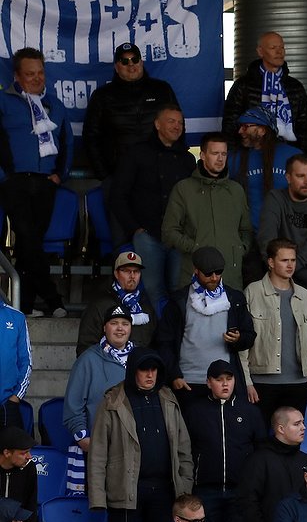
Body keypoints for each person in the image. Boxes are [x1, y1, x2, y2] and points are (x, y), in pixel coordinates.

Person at [89, 347, 194, 522]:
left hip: (164, 491)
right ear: (132, 371)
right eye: (144, 369)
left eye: (154, 370)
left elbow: (183, 448)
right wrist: (98, 497)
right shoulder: (113, 401)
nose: (150, 375)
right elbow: (98, 454)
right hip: (125, 490)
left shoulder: (168, 398)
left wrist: (185, 488)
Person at [0, 48, 70, 317]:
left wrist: (59, 175)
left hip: (45, 182)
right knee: (28, 237)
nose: (36, 78)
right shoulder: (4, 102)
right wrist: (4, 177)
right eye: (30, 74)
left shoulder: (54, 104)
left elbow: (67, 142)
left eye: (40, 73)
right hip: (14, 182)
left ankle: (25, 306)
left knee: (31, 244)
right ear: (17, 75)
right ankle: (54, 299)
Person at [111, 105, 196, 304]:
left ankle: (174, 334)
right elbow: (118, 195)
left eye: (180, 123)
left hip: (178, 237)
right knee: (151, 290)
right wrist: (135, 228)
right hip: (148, 235)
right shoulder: (137, 153)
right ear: (157, 124)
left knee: (179, 289)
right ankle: (156, 334)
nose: (177, 126)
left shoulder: (188, 159)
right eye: (171, 121)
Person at [154, 246, 257, 410]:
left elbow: (250, 336)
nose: (214, 278)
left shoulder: (235, 298)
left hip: (224, 384)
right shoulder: (179, 300)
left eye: (218, 272)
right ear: (196, 271)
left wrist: (238, 339)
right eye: (208, 273)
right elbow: (164, 342)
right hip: (188, 382)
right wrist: (174, 375)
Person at [181, 360, 266, 522]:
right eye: (219, 379)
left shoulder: (250, 412)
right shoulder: (194, 411)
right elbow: (185, 450)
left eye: (229, 378)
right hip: (205, 491)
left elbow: (261, 451)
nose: (225, 384)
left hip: (240, 492)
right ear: (209, 382)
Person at [161, 132, 253, 291]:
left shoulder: (236, 190)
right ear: (202, 155)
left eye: (223, 153)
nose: (220, 158)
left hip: (231, 276)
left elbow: (246, 230)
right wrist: (196, 248)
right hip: (195, 275)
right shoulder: (184, 189)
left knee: (231, 316)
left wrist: (239, 249)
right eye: (215, 153)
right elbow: (169, 232)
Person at [241, 239, 307, 427]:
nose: (290, 264)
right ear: (270, 262)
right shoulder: (253, 292)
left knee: (292, 441)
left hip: (297, 382)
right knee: (258, 439)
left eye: (292, 260)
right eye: (284, 260)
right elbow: (243, 343)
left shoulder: (306, 296)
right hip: (262, 382)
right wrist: (247, 381)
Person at [83, 42, 179, 191]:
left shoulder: (162, 90)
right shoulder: (102, 96)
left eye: (135, 60)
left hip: (159, 175)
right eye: (124, 61)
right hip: (120, 177)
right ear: (116, 67)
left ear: (141, 62)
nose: (131, 65)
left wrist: (172, 165)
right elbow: (91, 138)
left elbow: (178, 127)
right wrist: (105, 176)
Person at [63, 306, 137, 495]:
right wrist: (85, 440)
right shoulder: (88, 359)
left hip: (134, 451)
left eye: (125, 324)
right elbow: (73, 407)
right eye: (114, 323)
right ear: (104, 328)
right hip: (100, 451)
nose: (120, 328)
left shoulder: (142, 359)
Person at [258, 154, 307, 322]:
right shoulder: (275, 199)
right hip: (278, 279)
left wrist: (286, 268)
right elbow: (267, 239)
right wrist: (279, 271)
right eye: (301, 176)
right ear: (288, 177)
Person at [223, 32, 307, 151]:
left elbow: (303, 129)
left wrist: (299, 157)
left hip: (287, 155)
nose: (279, 52)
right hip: (250, 155)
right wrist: (236, 158)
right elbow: (230, 124)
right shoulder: (243, 85)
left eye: (282, 47)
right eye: (273, 48)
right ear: (260, 52)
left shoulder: (295, 87)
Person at [225, 105, 305, 233]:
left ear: (262, 130)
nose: (240, 131)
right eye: (240, 127)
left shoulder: (293, 156)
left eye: (246, 127)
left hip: (288, 237)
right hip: (249, 238)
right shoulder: (234, 159)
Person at [77, 251, 158, 356]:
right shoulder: (99, 305)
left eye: (136, 271)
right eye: (127, 271)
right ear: (116, 273)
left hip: (138, 370)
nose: (132, 276)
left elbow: (155, 345)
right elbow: (85, 347)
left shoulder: (146, 307)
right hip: (106, 368)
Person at [0, 428, 36, 522]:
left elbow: (31, 504)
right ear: (7, 453)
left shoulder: (29, 468)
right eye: (23, 453)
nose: (29, 457)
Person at [0, 302, 30, 431]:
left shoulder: (16, 316)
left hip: (7, 404)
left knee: (14, 450)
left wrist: (16, 396)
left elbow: (26, 361)